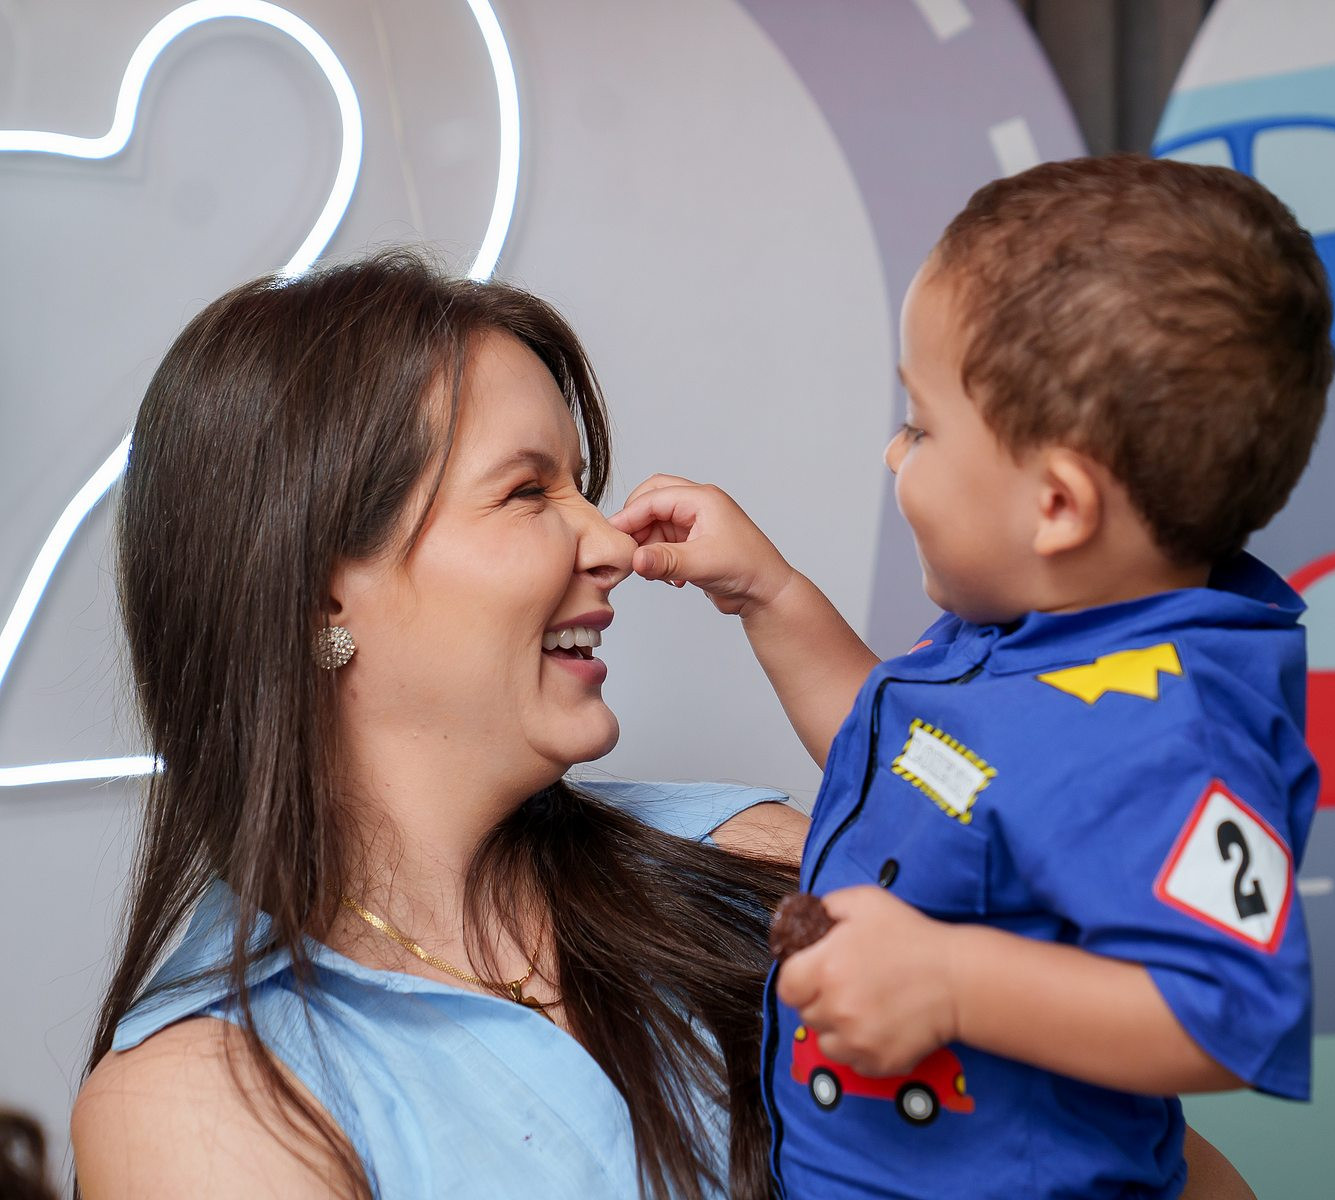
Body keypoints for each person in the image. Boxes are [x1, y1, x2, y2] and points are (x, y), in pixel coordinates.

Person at [610, 152, 1333, 1197]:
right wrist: (768, 593)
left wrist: (951, 983)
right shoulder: (1026, 638)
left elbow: (1228, 1011)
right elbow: (911, 766)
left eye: (922, 425)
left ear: (1057, 506)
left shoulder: (1170, 730)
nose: (893, 454)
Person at [69, 251, 807, 1200]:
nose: (614, 544)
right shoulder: (202, 1102)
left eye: (581, 486)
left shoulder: (750, 862)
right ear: (320, 593)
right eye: (528, 491)